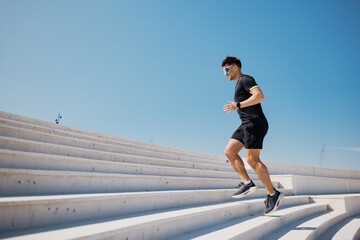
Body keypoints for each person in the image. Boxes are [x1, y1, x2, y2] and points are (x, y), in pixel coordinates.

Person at [222, 56, 283, 215]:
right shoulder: (238, 85)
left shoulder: (245, 79)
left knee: (252, 160)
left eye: (226, 69)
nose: (225, 74)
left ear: (235, 67)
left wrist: (239, 105)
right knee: (229, 151)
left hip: (255, 123)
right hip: (245, 125)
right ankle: (247, 183)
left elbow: (260, 96)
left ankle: (272, 193)